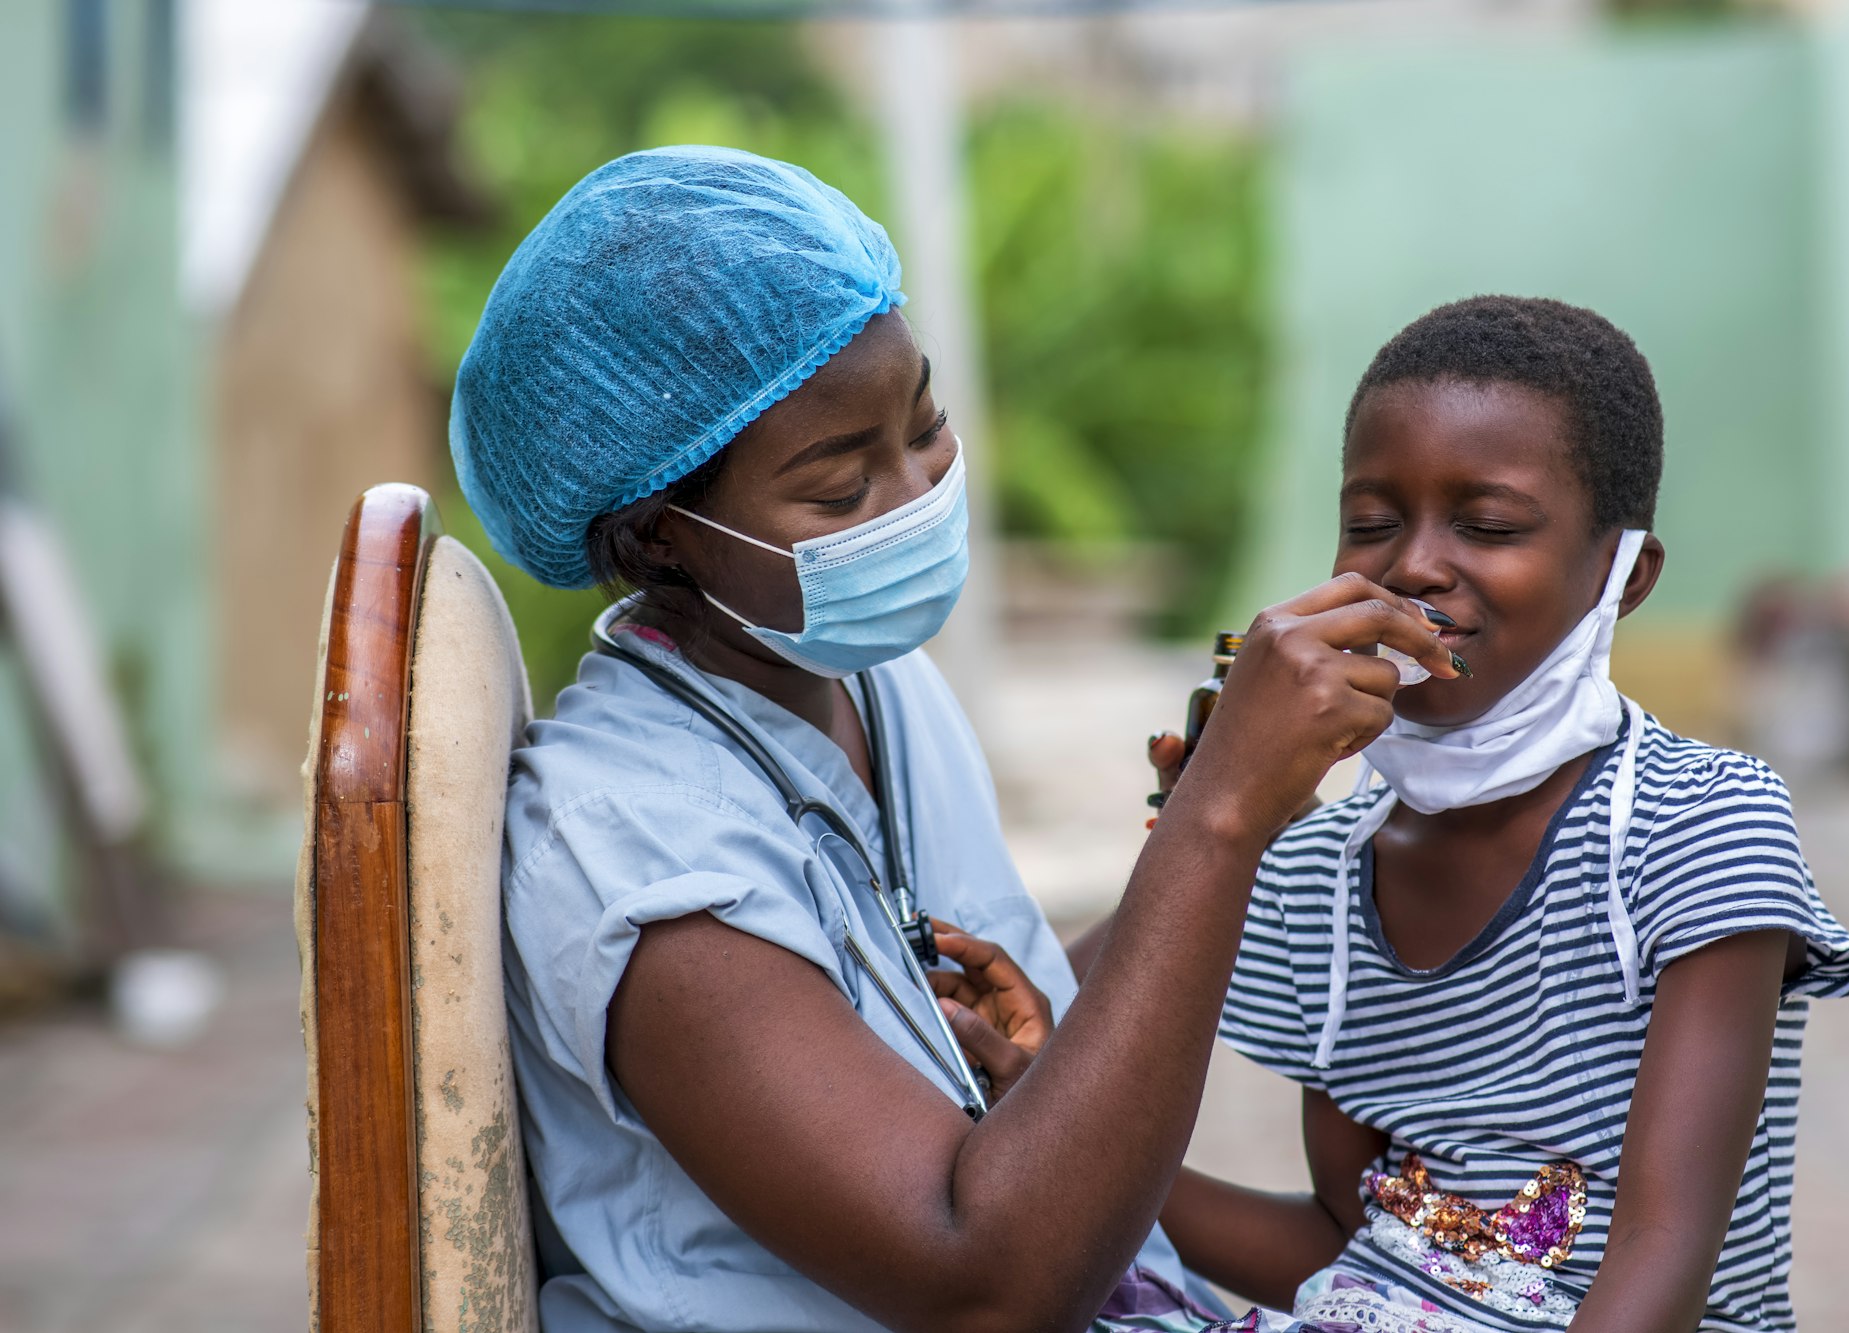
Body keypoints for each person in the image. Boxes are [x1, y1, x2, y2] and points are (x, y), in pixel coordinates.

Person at [447, 145, 1462, 1333]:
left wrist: (1211, 835)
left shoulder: (865, 680)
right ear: (659, 533)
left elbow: (933, 1016)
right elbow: (980, 1281)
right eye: (838, 490)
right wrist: (1216, 831)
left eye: (923, 426)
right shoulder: (632, 854)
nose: (918, 491)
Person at [1131, 297, 1849, 1331]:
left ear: (1622, 575)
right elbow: (1354, 1246)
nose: (1413, 566)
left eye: (1485, 525)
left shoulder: (1696, 824)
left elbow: (1658, 1266)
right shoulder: (1314, 867)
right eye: (1370, 524)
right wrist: (1210, 824)